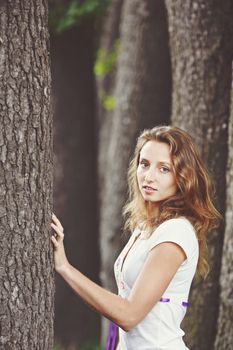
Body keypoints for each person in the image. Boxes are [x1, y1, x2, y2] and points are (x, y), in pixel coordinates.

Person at [51, 125, 221, 350]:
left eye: (164, 169)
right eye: (145, 164)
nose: (149, 176)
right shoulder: (145, 227)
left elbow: (129, 315)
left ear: (182, 177)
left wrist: (65, 268)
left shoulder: (175, 232)